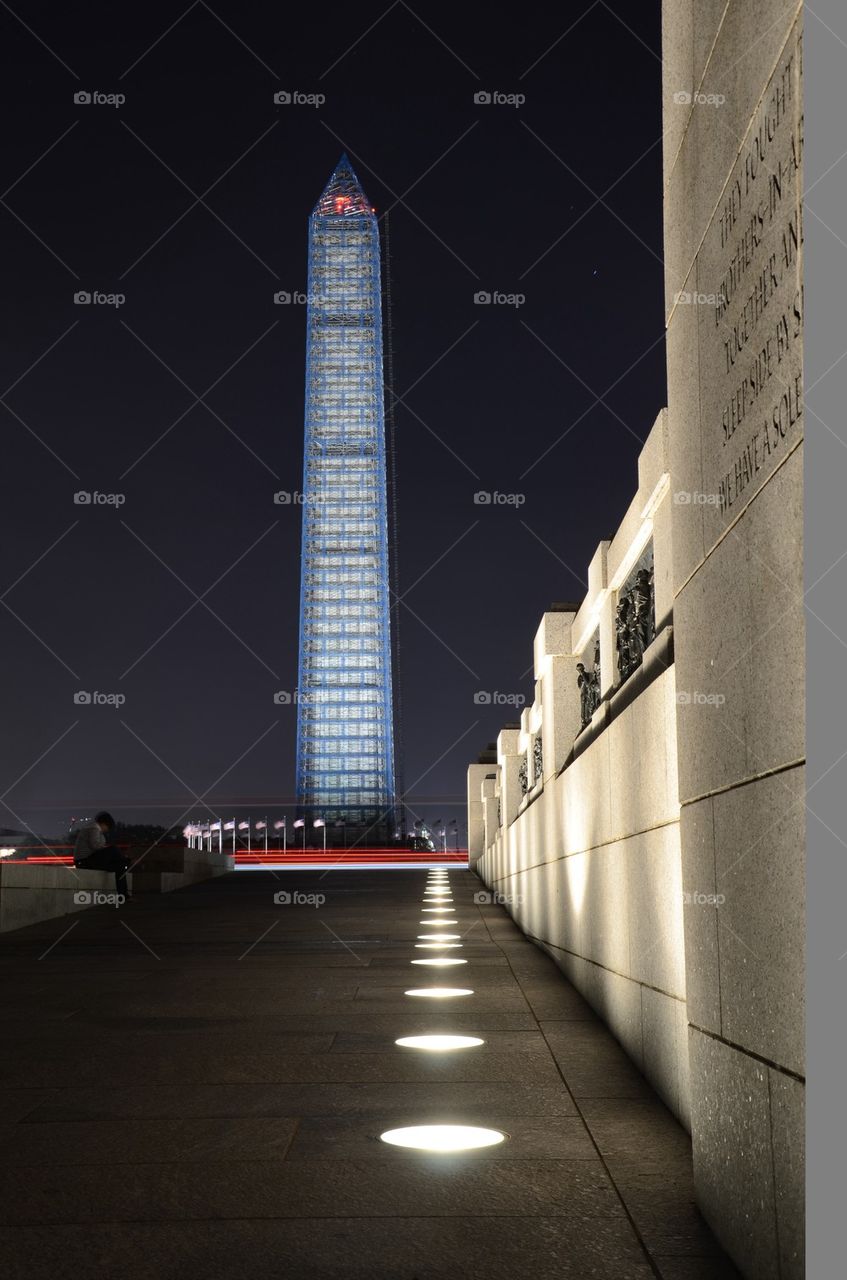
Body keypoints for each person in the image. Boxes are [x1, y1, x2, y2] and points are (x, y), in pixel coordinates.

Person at [73, 811, 130, 902]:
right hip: (84, 861)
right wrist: (107, 849)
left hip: (90, 860)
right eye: (107, 827)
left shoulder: (97, 830)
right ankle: (127, 861)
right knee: (114, 850)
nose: (107, 830)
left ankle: (123, 896)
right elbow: (95, 846)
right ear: (103, 823)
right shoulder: (93, 828)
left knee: (121, 867)